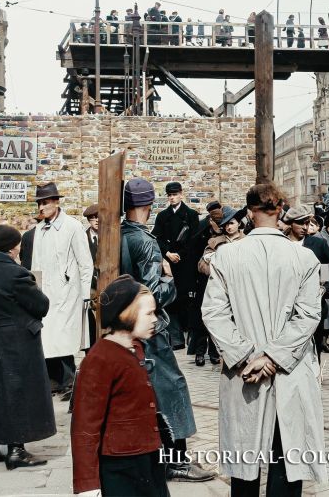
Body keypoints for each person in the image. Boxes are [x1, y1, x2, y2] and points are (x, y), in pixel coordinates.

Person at [202, 183, 327, 495]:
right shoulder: (304, 258)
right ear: (281, 211)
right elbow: (309, 316)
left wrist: (247, 356)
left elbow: (214, 313)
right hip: (290, 367)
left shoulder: (226, 256)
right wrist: (273, 357)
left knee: (244, 459)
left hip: (244, 369)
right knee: (287, 457)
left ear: (248, 213)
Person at [120, 178, 214, 483]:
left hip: (123, 329)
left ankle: (154, 457)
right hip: (149, 329)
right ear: (149, 205)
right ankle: (177, 461)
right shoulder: (144, 241)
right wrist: (169, 279)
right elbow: (151, 294)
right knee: (171, 390)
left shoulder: (117, 235)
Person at [72, 275, 169, 497]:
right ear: (126, 314)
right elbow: (85, 426)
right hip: (120, 468)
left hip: (148, 460)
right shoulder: (100, 358)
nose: (155, 319)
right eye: (149, 313)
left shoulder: (136, 348)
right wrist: (87, 484)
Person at [0, 224, 55, 469]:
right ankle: (16, 450)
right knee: (18, 390)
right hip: (16, 340)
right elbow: (41, 306)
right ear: (13, 248)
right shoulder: (17, 274)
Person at [31, 183, 93, 398]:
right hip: (46, 292)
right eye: (39, 203)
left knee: (65, 337)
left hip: (68, 292)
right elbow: (35, 264)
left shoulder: (72, 227)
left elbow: (85, 263)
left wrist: (85, 294)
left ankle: (70, 381)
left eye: (46, 202)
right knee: (47, 336)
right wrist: (35, 289)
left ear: (56, 202)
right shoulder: (40, 229)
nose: (42, 207)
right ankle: (54, 380)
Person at [283, 206, 329, 358]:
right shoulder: (280, 244)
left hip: (312, 307)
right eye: (300, 223)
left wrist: (324, 288)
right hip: (285, 308)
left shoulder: (318, 244)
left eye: (307, 223)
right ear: (290, 223)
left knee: (313, 353)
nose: (305, 227)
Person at [152, 182, 200, 350]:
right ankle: (176, 337)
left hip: (187, 263)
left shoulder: (191, 215)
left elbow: (194, 240)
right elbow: (156, 237)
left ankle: (190, 336)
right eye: (169, 195)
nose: (172, 198)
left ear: (181, 195)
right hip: (169, 264)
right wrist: (168, 253)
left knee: (188, 299)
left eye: (175, 194)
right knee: (171, 299)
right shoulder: (163, 216)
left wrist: (180, 254)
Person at [189, 200, 224, 364]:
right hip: (202, 280)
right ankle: (200, 351)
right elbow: (193, 256)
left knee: (218, 315)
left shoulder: (225, 234)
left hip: (220, 281)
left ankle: (214, 351)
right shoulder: (201, 232)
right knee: (202, 316)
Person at [83, 204, 100, 351]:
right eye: (93, 218)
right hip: (89, 285)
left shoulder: (111, 236)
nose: (96, 220)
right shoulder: (83, 237)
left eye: (98, 217)